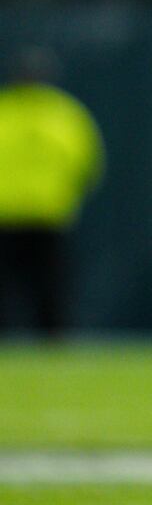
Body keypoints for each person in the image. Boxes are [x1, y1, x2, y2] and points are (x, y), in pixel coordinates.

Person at [0, 48, 104, 339]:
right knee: (49, 285)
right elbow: (89, 165)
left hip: (12, 214)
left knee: (32, 285)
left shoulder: (6, 111)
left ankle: (48, 340)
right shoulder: (65, 114)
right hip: (47, 214)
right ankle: (55, 342)